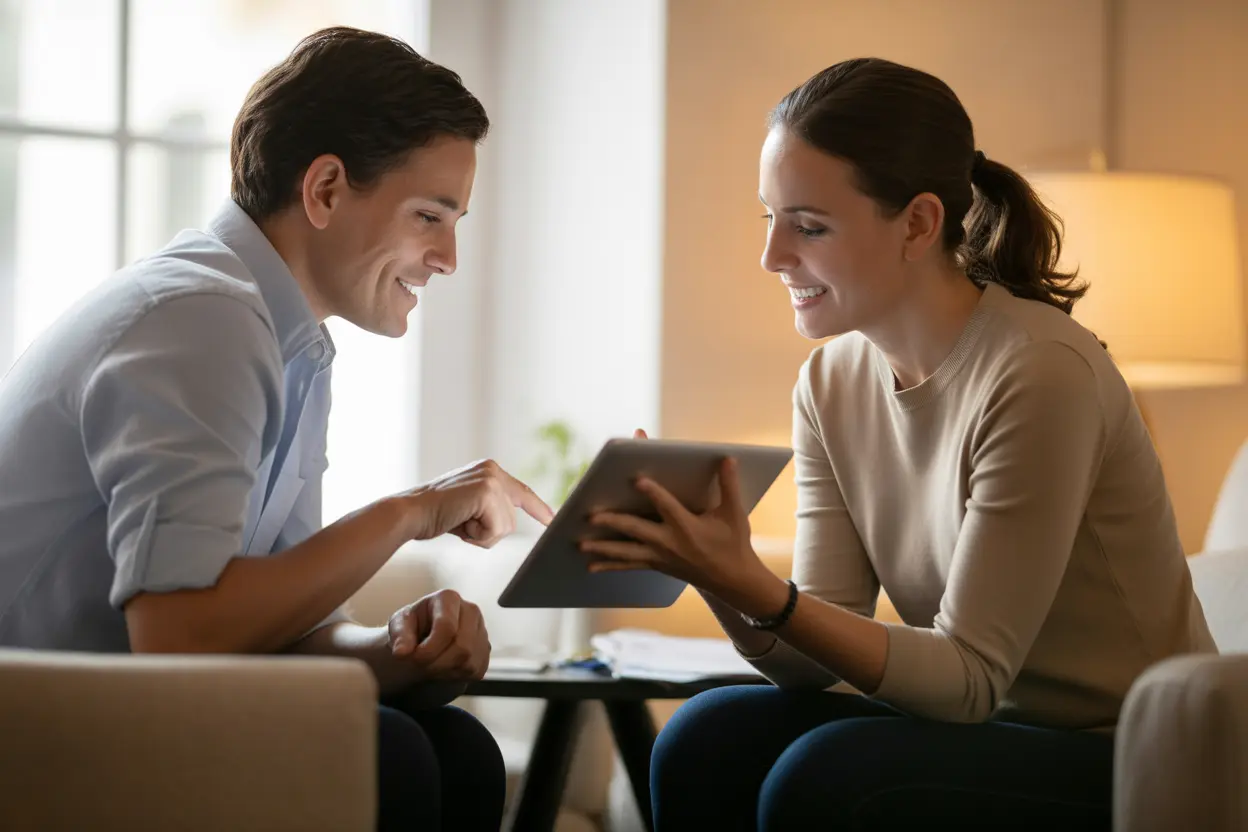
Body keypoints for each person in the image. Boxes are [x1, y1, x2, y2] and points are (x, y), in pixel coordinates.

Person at [581, 58, 1217, 830]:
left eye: (808, 226)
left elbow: (971, 678)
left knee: (828, 774)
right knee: (704, 736)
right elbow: (814, 662)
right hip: (979, 731)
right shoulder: (830, 384)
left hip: (1124, 753)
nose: (773, 257)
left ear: (917, 223)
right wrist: (714, 569)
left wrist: (749, 583)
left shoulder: (1041, 373)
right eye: (770, 218)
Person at [0, 27, 551, 832]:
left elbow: (268, 631)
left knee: (452, 744)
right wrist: (410, 512)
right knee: (388, 757)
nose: (448, 257)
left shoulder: (286, 342)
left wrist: (397, 651)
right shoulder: (202, 317)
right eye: (430, 215)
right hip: (37, 724)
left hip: (114, 707)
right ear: (325, 189)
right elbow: (180, 639)